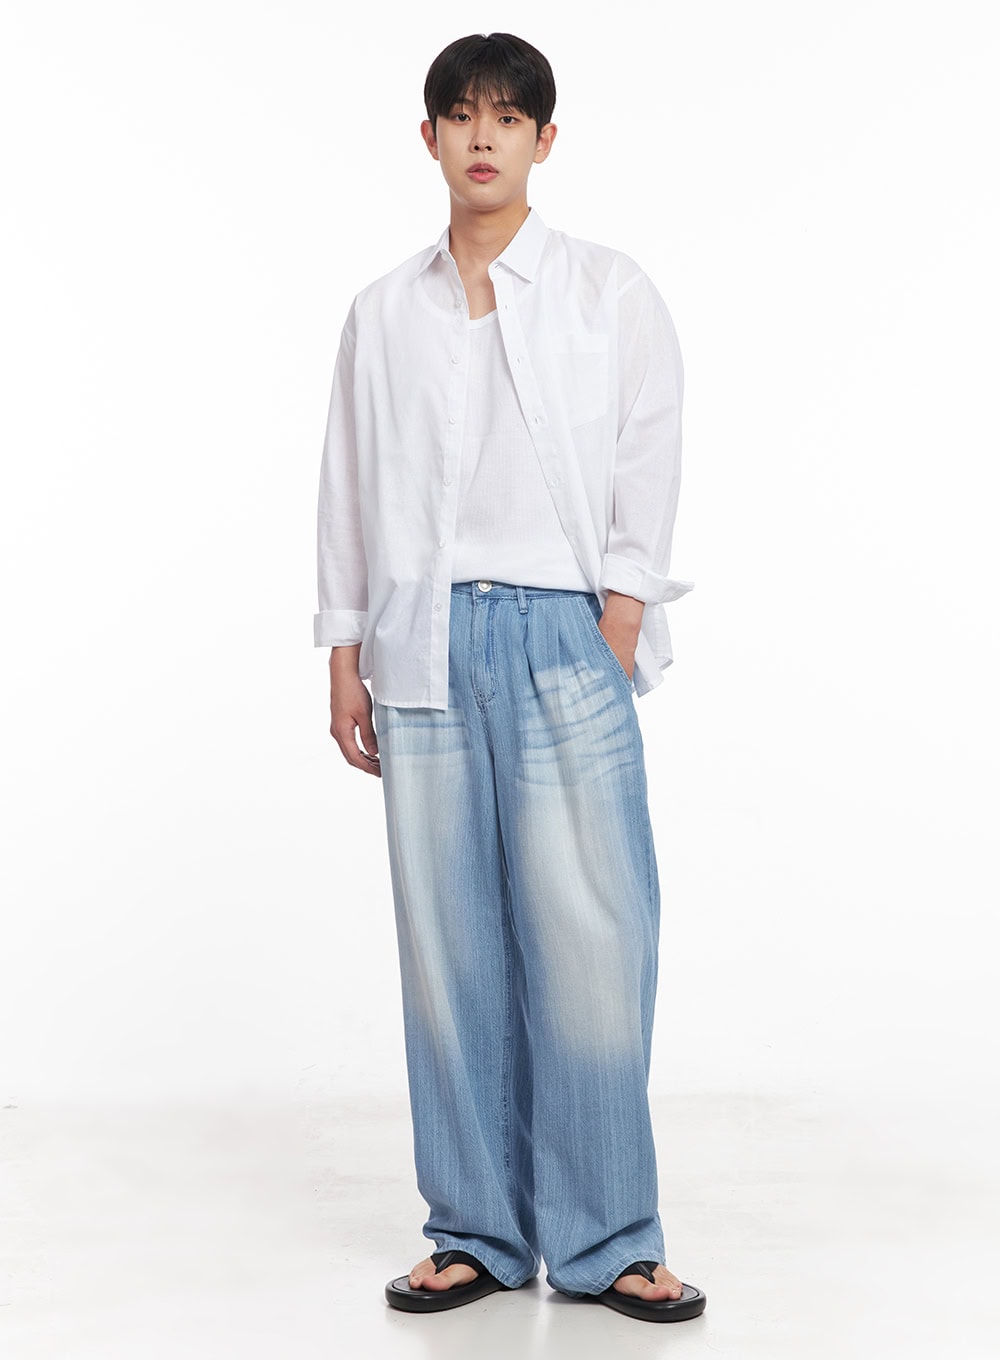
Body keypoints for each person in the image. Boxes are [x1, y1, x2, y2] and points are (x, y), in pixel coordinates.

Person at [313, 32, 706, 1325]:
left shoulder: (607, 291)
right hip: (420, 644)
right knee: (449, 949)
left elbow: (650, 449)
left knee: (594, 939)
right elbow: (349, 482)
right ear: (428, 137)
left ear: (545, 140)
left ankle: (609, 1239)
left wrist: (618, 618)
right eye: (461, 115)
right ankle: (476, 1230)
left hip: (561, 632)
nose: (483, 136)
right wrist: (346, 651)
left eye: (508, 117)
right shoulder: (384, 311)